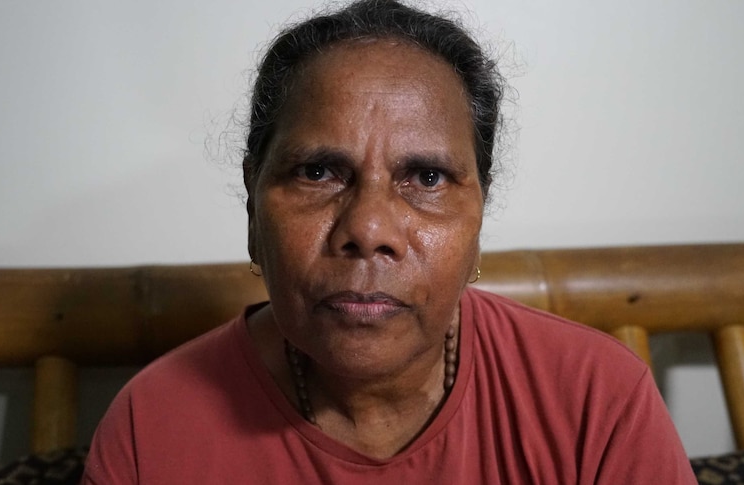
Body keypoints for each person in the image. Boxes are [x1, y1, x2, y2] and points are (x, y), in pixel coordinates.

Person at [81, 0, 696, 483]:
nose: (369, 229)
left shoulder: (595, 399)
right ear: (252, 205)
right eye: (319, 172)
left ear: (479, 216)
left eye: (427, 178)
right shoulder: (154, 427)